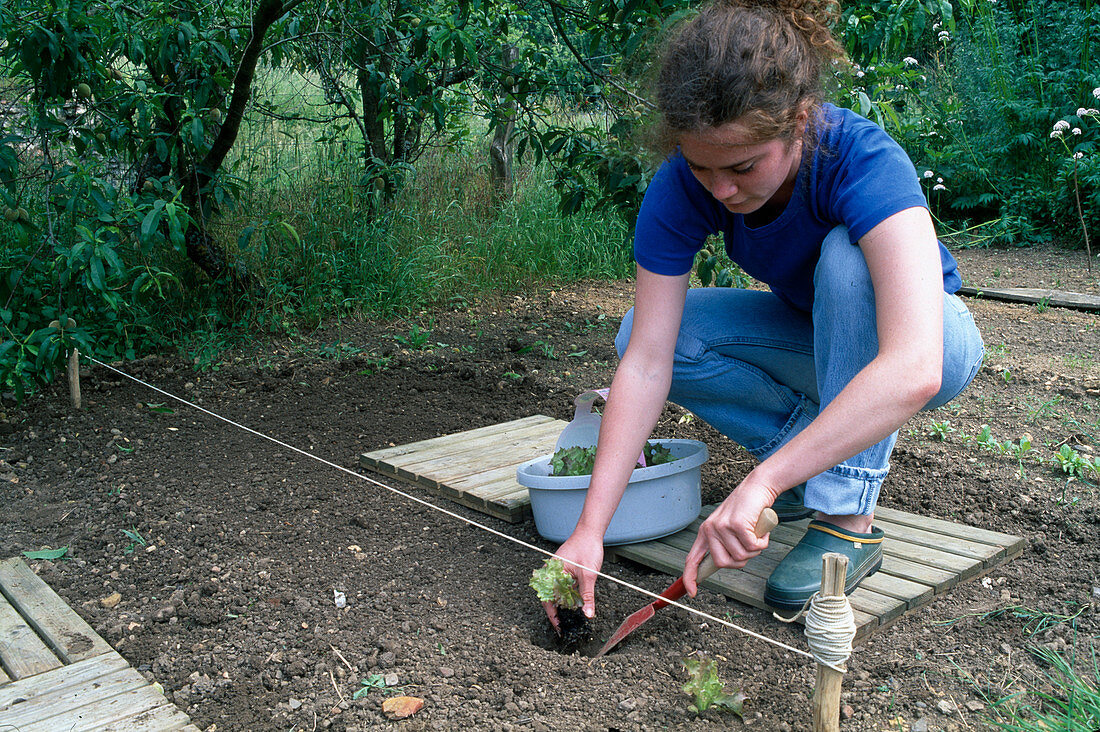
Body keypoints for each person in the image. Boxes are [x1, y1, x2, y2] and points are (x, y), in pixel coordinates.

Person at [544, 0, 984, 628]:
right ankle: (813, 471)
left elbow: (914, 366)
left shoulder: (861, 159)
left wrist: (761, 483)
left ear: (799, 122)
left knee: (845, 258)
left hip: (932, 344)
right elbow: (645, 364)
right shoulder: (682, 188)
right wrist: (590, 528)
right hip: (817, 344)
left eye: (742, 167)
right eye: (701, 166)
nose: (720, 188)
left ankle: (845, 518)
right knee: (652, 335)